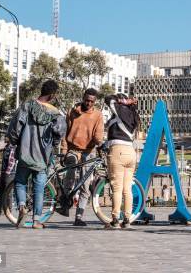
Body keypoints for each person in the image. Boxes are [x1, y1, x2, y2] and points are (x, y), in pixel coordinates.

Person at [8, 80, 66, 229]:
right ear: (53, 95)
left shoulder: (26, 106)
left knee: (20, 182)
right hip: (42, 157)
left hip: (25, 154)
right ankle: (36, 221)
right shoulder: (55, 114)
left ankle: (21, 205)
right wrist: (53, 145)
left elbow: (15, 127)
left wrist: (14, 141)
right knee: (39, 188)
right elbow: (59, 132)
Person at [59, 88, 104, 226]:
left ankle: (79, 217)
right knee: (70, 178)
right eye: (87, 100)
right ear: (83, 97)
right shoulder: (73, 112)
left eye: (91, 101)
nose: (88, 103)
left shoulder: (98, 115)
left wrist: (101, 144)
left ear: (95, 102)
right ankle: (65, 205)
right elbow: (65, 133)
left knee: (85, 186)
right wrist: (64, 150)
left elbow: (98, 135)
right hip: (73, 150)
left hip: (89, 152)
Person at [104, 93, 139, 229]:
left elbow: (108, 99)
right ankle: (127, 220)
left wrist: (123, 101)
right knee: (127, 189)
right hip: (131, 152)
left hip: (117, 151)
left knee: (117, 188)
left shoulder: (119, 110)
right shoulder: (133, 115)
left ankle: (115, 220)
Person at [0, 137, 17, 216]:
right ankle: (0, 210)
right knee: (1, 192)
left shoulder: (12, 148)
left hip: (10, 173)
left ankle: (8, 211)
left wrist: (7, 172)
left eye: (6, 137)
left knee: (8, 193)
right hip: (3, 172)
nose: (5, 138)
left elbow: (12, 161)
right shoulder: (6, 147)